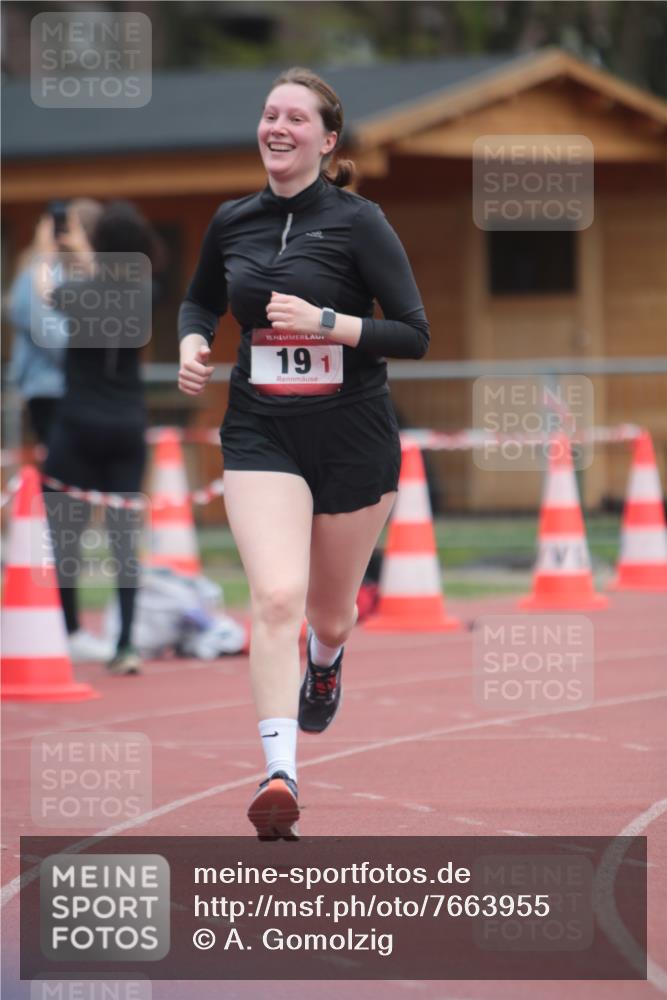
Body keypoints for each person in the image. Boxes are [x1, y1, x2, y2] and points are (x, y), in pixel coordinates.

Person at [178, 67, 429, 838]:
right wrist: (193, 341)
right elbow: (200, 299)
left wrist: (331, 323)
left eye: (295, 117)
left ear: (326, 141)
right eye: (268, 114)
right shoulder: (232, 221)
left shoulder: (360, 223)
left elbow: (413, 335)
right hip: (262, 431)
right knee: (276, 599)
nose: (276, 126)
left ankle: (326, 660)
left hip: (351, 434)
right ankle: (279, 772)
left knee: (329, 612)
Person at [40, 201, 154, 674]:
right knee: (123, 539)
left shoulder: (77, 291)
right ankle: (125, 642)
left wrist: (51, 248)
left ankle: (70, 629)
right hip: (127, 425)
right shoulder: (147, 290)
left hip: (77, 425)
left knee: (66, 535)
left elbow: (48, 290)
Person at [6, 201, 102, 447]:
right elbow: (53, 339)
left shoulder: (86, 278)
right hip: (52, 393)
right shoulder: (37, 275)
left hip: (81, 391)